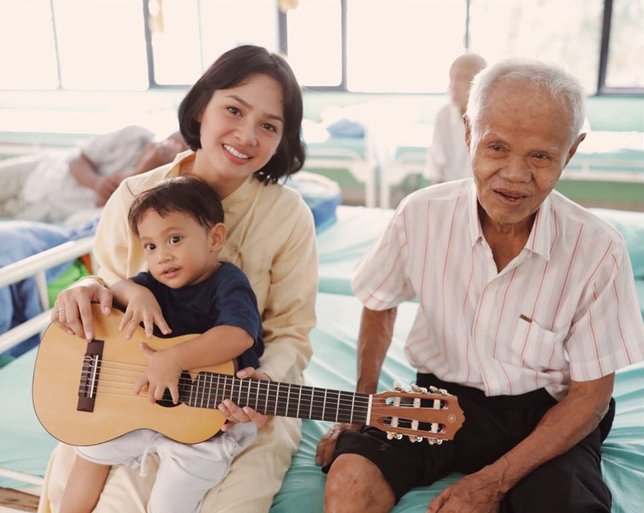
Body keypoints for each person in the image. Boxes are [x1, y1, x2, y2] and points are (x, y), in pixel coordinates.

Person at [317, 59, 644, 513]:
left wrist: (491, 482)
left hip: (550, 412)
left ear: (570, 152)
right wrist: (363, 404)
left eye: (541, 156)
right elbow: (379, 301)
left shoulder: (599, 250)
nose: (514, 174)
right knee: (349, 480)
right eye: (496, 147)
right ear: (469, 133)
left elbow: (590, 397)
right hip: (437, 400)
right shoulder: (419, 215)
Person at [39, 44, 318, 513]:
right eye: (234, 109)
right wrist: (85, 289)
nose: (247, 135)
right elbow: (105, 282)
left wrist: (265, 383)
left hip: (241, 401)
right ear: (201, 107)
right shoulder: (135, 194)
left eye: (269, 126)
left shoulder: (288, 215)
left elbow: (291, 330)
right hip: (127, 389)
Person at [60, 176, 264, 513]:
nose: (162, 256)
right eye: (151, 246)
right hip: (147, 407)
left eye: (175, 239)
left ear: (215, 238)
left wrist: (175, 359)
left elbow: (239, 334)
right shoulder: (153, 283)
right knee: (90, 449)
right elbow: (118, 288)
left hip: (208, 417)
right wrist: (134, 292)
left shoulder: (228, 282)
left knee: (176, 492)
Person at [16, 126, 187, 223]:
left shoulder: (152, 188)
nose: (167, 149)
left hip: (45, 208)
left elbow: (106, 201)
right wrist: (96, 182)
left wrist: (147, 166)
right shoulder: (135, 137)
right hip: (41, 173)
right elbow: (76, 157)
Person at [427, 53, 486, 184]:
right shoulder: (443, 116)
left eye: (460, 78)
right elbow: (436, 173)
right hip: (450, 195)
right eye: (451, 78)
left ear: (480, 82)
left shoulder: (494, 117)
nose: (453, 86)